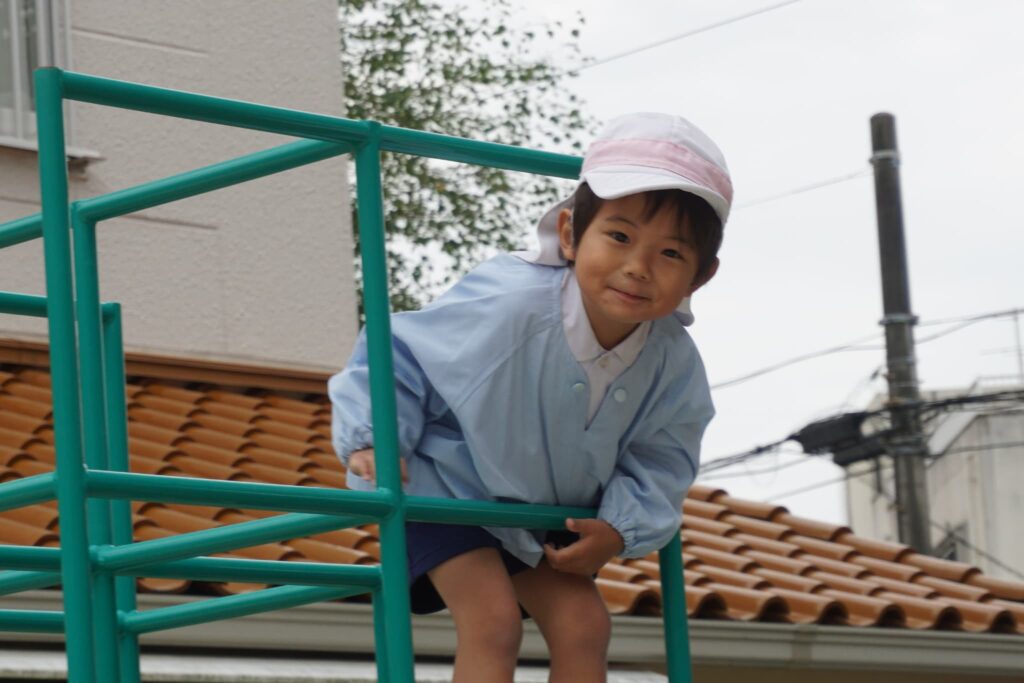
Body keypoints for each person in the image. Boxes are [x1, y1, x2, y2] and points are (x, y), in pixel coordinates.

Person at [329, 112, 732, 683]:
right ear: (569, 233)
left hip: (537, 513)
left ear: (701, 275)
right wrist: (375, 435)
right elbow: (400, 352)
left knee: (585, 626)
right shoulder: (511, 305)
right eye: (619, 237)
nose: (637, 268)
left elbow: (663, 454)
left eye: (670, 254)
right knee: (494, 622)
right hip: (446, 487)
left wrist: (620, 527)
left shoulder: (673, 362)